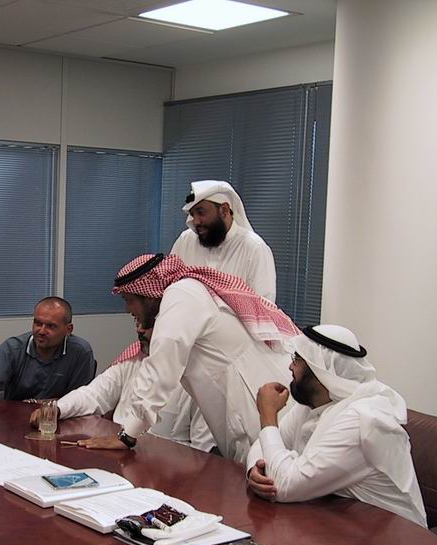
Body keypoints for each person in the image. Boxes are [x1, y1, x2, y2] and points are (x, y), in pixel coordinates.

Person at [77, 253, 297, 463]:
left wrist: (127, 435)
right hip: (244, 412)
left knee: (269, 475)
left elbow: (160, 369)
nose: (127, 309)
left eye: (129, 300)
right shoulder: (189, 294)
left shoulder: (181, 294)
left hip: (258, 408)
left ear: (149, 295)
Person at [245, 324, 427, 527]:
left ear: (319, 368)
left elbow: (282, 486)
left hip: (394, 539)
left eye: (296, 359)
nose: (290, 367)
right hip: (340, 524)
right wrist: (255, 470)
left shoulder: (360, 420)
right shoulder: (316, 402)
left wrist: (267, 414)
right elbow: (264, 446)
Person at [30, 322, 215, 451]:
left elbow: (203, 454)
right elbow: (93, 394)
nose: (140, 330)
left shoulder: (202, 379)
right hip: (116, 457)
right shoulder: (133, 362)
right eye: (137, 323)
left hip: (166, 472)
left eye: (148, 325)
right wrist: (57, 410)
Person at [0, 296, 95, 403]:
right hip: (12, 417)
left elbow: (81, 399)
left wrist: (39, 405)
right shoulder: (13, 348)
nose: (41, 331)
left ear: (68, 329)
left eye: (51, 326)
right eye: (38, 323)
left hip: (56, 418)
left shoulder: (81, 352)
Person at [170, 180, 277, 302]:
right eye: (193, 214)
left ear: (224, 210)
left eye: (201, 213)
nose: (195, 221)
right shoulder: (185, 241)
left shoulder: (254, 248)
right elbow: (169, 288)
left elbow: (263, 307)